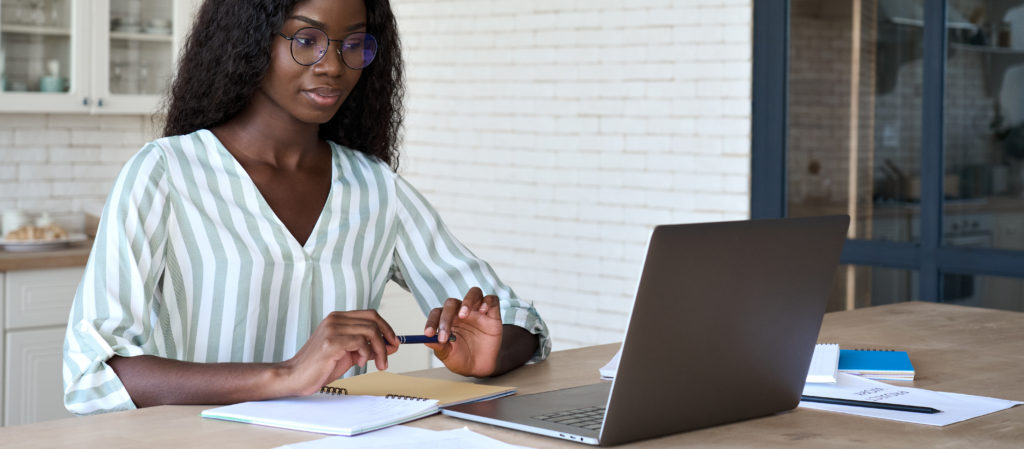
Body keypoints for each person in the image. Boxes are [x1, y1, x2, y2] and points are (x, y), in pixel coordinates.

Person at [62, 0, 550, 415]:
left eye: (352, 44)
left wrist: (488, 353)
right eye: (306, 40)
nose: (334, 65)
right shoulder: (166, 173)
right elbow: (92, 375)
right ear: (249, 42)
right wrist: (287, 375)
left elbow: (520, 321)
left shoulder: (375, 187)